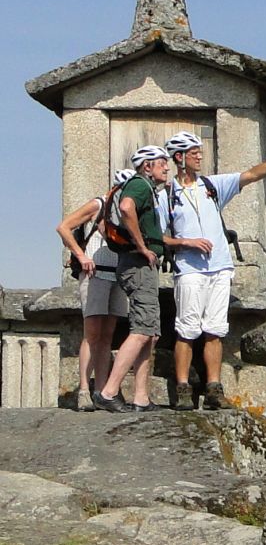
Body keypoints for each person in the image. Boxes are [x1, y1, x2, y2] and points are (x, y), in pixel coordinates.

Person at [161, 132, 266, 410]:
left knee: (215, 329)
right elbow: (155, 236)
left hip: (220, 267)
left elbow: (251, 174)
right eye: (194, 152)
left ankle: (214, 389)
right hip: (188, 269)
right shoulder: (167, 195)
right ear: (179, 157)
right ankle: (183, 388)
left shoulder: (211, 186)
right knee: (186, 330)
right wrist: (185, 242)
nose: (200, 155)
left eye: (200, 151)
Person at [92, 145, 170, 413]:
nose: (167, 167)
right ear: (147, 166)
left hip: (137, 265)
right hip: (138, 264)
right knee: (142, 331)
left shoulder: (145, 188)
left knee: (150, 333)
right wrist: (142, 246)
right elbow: (126, 208)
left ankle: (141, 398)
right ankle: (109, 391)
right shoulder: (139, 185)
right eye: (162, 162)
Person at [55, 168, 134, 410]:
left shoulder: (128, 213)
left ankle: (101, 391)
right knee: (92, 333)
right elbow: (64, 227)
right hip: (94, 272)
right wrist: (81, 255)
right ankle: (83, 390)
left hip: (116, 275)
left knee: (107, 335)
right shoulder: (99, 204)